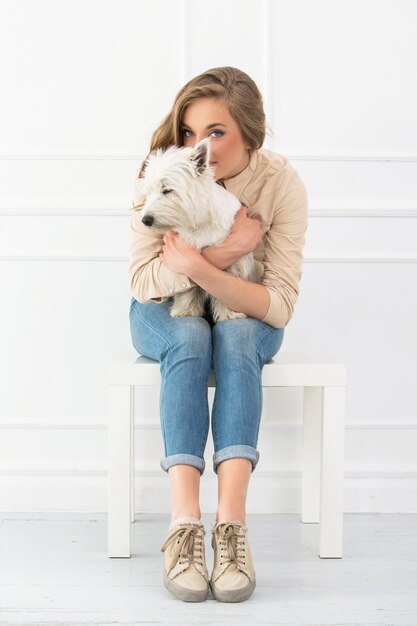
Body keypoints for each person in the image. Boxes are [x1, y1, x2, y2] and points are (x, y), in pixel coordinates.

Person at [128, 66, 308, 603]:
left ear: (250, 132)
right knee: (188, 335)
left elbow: (277, 305)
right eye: (188, 131)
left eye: (214, 132)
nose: (195, 146)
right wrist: (226, 253)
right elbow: (143, 282)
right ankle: (184, 528)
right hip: (162, 307)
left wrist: (208, 269)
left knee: (233, 336)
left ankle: (232, 529)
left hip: (245, 315)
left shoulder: (280, 185)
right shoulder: (160, 169)